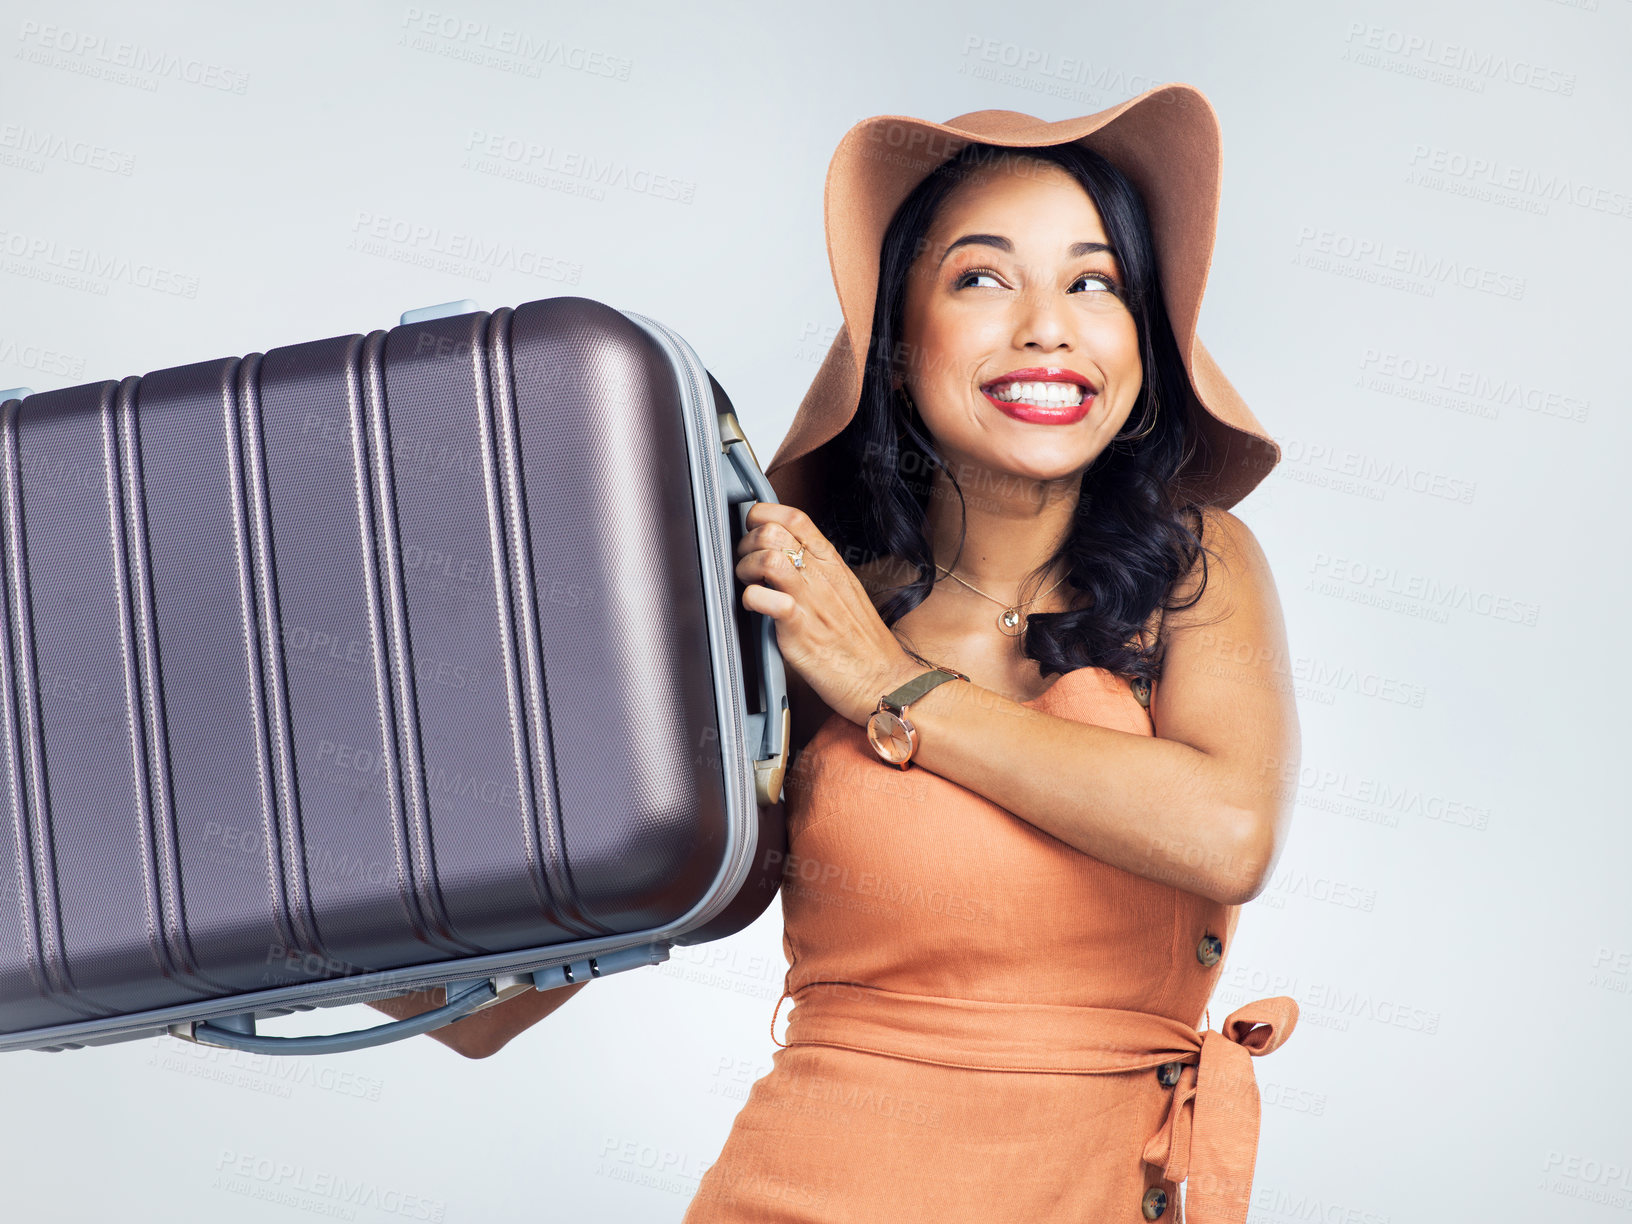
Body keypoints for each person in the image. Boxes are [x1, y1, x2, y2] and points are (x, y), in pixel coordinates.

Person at [680, 84, 1301, 1224]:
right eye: (981, 277)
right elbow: (539, 971)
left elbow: (1228, 832)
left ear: (1143, 342)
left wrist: (889, 685)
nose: (1047, 327)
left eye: (1095, 281)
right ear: (894, 337)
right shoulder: (813, 611)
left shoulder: (1199, 570)